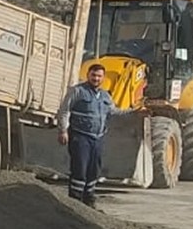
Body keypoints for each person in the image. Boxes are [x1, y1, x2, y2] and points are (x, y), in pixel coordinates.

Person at [56, 63, 142, 208]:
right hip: (80, 136)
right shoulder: (77, 91)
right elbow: (64, 111)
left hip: (98, 138)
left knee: (94, 170)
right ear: (88, 75)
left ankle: (89, 200)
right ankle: (75, 201)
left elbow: (114, 112)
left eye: (99, 76)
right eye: (93, 75)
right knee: (80, 169)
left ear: (103, 78)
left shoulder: (105, 96)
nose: (96, 78)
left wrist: (135, 112)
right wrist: (63, 130)